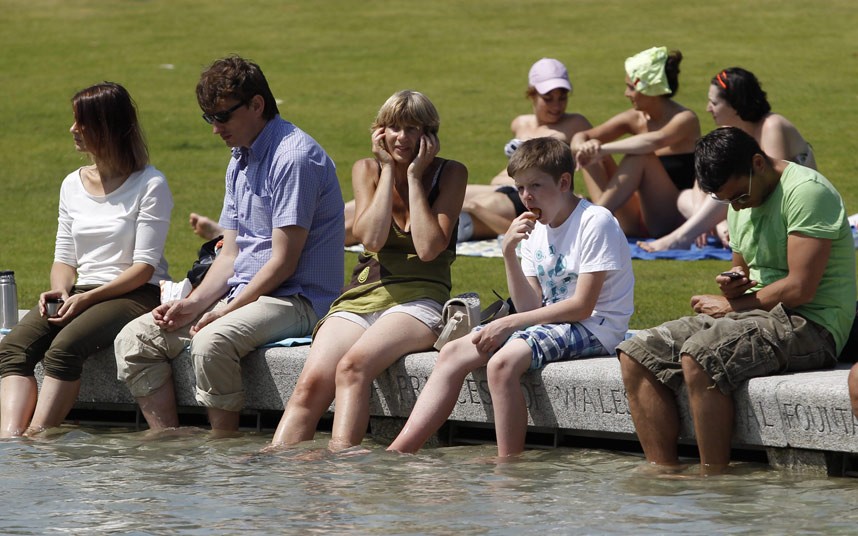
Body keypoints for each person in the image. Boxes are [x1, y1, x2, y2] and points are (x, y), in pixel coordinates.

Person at [114, 56, 344, 434]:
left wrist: (227, 310)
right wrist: (194, 303)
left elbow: (284, 262)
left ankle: (225, 456)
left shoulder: (294, 158)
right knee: (135, 340)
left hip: (298, 299)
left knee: (211, 342)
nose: (215, 129)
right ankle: (167, 442)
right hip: (249, 293)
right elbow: (230, 254)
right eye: (209, 119)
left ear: (256, 105)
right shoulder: (239, 158)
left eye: (222, 117)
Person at [617, 127, 855, 475]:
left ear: (758, 163)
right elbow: (743, 271)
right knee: (637, 353)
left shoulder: (806, 193)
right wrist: (733, 286)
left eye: (739, 196)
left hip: (812, 324)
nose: (738, 206)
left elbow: (801, 289)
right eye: (728, 200)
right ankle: (663, 474)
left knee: (700, 355)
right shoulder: (738, 199)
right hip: (755, 315)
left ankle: (715, 479)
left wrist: (730, 306)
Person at [387, 137, 634, 457]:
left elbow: (582, 306)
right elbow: (532, 304)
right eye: (519, 188)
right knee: (452, 354)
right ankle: (401, 451)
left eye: (535, 186)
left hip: (597, 325)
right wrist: (508, 254)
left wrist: (509, 324)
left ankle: (509, 468)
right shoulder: (533, 230)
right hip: (555, 320)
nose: (526, 196)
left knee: (502, 363)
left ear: (563, 182)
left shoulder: (595, 221)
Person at [269, 90, 468, 451]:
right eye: (394, 127)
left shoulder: (451, 173)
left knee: (352, 367)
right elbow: (372, 241)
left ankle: (344, 466)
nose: (402, 138)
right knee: (310, 383)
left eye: (412, 129)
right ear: (380, 132)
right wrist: (390, 170)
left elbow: (427, 248)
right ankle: (276, 464)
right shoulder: (368, 169)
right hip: (363, 293)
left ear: (430, 135)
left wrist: (415, 177)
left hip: (420, 298)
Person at [0, 82, 173, 438]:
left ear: (108, 126)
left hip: (135, 293)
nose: (73, 130)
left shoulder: (150, 184)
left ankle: (39, 437)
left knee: (63, 350)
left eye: (83, 122)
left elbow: (143, 267)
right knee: (12, 350)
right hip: (82, 291)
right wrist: (61, 290)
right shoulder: (72, 184)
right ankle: (11, 443)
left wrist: (88, 298)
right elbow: (64, 257)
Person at [641, 66, 819, 251]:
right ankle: (717, 228)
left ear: (735, 105)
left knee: (731, 186)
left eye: (714, 103)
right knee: (685, 197)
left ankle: (682, 237)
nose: (708, 109)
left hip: (788, 212)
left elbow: (772, 188)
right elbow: (700, 184)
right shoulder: (730, 132)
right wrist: (712, 220)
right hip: (747, 205)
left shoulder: (772, 126)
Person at [456, 58, 604, 242]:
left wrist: (594, 203)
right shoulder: (520, 123)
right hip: (506, 187)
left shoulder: (575, 124)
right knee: (447, 191)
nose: (557, 106)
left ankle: (451, 228)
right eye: (548, 99)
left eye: (562, 98)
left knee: (467, 214)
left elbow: (599, 161)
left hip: (533, 195)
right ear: (531, 95)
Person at [571, 46, 700, 239]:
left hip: (670, 219)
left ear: (651, 89)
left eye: (631, 87)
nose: (626, 93)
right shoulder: (635, 118)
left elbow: (654, 141)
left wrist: (603, 149)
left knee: (641, 156)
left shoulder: (685, 119)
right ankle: (599, 221)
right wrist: (584, 146)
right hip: (635, 219)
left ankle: (590, 222)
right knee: (590, 152)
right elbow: (581, 137)